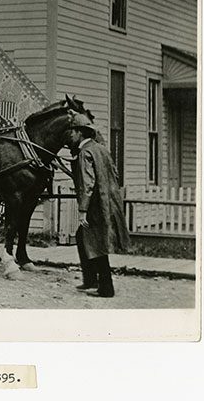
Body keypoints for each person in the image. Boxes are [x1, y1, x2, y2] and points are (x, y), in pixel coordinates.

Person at [67, 113, 130, 298]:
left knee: (96, 241)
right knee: (83, 237)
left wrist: (82, 210)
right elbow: (114, 174)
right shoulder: (101, 149)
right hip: (107, 201)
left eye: (72, 132)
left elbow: (88, 184)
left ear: (79, 132)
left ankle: (105, 288)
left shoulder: (85, 152)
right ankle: (91, 280)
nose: (70, 136)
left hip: (94, 205)